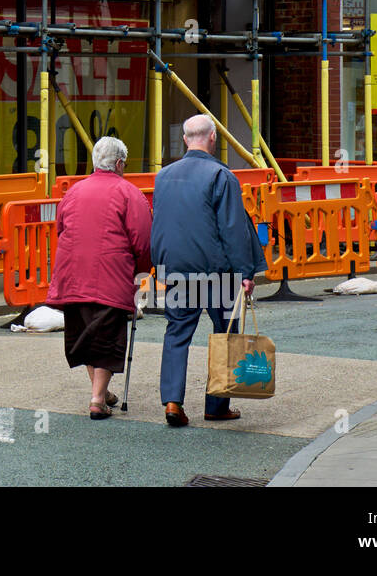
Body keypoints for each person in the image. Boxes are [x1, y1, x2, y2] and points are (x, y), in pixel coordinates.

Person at [150, 114, 267, 428]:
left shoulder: (163, 176)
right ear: (213, 138)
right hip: (217, 273)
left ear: (186, 139)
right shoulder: (221, 176)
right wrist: (245, 272)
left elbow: (160, 222)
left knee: (176, 334)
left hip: (176, 270)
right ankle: (216, 405)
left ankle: (173, 401)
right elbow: (233, 229)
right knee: (224, 335)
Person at [45, 136, 152, 420]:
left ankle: (101, 391)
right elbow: (142, 240)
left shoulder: (72, 192)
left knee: (85, 336)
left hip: (73, 275)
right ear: (118, 163)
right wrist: (141, 270)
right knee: (107, 337)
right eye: (124, 164)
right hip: (110, 276)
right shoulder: (129, 193)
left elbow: (61, 229)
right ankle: (96, 399)